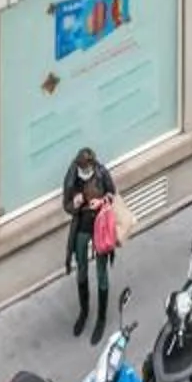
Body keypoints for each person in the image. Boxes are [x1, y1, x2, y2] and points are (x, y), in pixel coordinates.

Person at [62, 145, 117, 341]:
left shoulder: (101, 172)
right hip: (82, 227)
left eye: (87, 170)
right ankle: (84, 311)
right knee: (82, 269)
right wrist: (74, 204)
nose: (84, 174)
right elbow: (66, 205)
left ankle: (101, 318)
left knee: (101, 271)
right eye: (82, 170)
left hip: (99, 226)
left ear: (93, 166)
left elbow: (112, 193)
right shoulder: (72, 176)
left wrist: (101, 201)